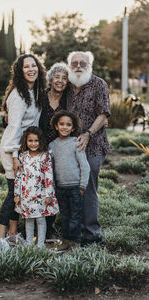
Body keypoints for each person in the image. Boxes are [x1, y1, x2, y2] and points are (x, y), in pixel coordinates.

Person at [0, 54, 46, 242]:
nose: (31, 69)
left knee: (21, 192)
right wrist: (16, 155)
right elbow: (15, 128)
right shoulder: (18, 95)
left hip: (25, 149)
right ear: (20, 71)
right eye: (26, 67)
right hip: (13, 150)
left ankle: (13, 232)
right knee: (13, 193)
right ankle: (0, 235)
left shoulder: (34, 91)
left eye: (34, 65)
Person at [66, 51, 111, 246]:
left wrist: (88, 134)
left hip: (93, 145)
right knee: (70, 187)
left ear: (89, 65)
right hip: (69, 146)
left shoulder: (99, 84)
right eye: (74, 63)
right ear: (69, 65)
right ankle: (72, 232)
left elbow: (103, 114)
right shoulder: (65, 84)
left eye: (82, 63)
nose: (78, 66)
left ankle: (93, 235)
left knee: (89, 185)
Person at [49, 110, 90, 250]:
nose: (65, 127)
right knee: (65, 216)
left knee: (75, 217)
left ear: (73, 128)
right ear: (56, 126)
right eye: (61, 124)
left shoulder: (76, 143)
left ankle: (76, 243)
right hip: (60, 188)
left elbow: (85, 166)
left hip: (75, 188)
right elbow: (51, 169)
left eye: (68, 125)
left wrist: (82, 186)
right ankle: (66, 241)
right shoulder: (52, 145)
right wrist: (53, 187)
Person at [14, 126, 59, 247]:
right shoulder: (23, 156)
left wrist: (49, 195)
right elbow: (18, 177)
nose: (33, 144)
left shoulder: (45, 156)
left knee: (40, 219)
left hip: (41, 194)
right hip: (26, 194)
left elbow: (49, 177)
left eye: (36, 141)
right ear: (26, 141)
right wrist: (17, 194)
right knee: (28, 219)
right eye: (30, 141)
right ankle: (29, 243)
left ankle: (40, 244)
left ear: (41, 141)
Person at [39, 62, 69, 240]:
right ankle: (41, 227)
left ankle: (52, 227)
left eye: (64, 78)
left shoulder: (67, 99)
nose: (60, 81)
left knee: (57, 187)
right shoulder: (40, 97)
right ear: (50, 79)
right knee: (43, 187)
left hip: (61, 149)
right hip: (41, 148)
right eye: (57, 77)